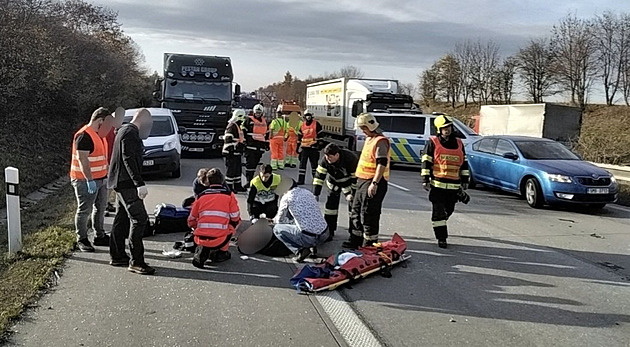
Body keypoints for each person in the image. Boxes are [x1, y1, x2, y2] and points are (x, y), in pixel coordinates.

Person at [107, 108, 155, 275]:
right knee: (139, 219)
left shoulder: (123, 130)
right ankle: (136, 262)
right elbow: (128, 158)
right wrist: (138, 183)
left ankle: (117, 255)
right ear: (144, 122)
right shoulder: (130, 133)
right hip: (127, 184)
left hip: (120, 182)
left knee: (121, 219)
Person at [421, 114, 470, 248]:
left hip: (453, 186)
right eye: (444, 128)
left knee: (449, 210)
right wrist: (425, 179)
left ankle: (441, 221)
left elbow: (464, 163)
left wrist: (465, 179)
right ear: (439, 129)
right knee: (439, 212)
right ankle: (441, 238)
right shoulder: (433, 142)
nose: (447, 130)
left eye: (449, 127)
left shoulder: (459, 143)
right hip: (437, 185)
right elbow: (426, 161)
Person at [70, 107, 114, 252]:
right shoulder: (84, 136)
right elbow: (83, 161)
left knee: (100, 208)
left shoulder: (99, 135)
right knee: (84, 210)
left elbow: (102, 158)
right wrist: (89, 180)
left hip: (101, 179)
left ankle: (99, 235)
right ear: (100, 121)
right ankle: (81, 239)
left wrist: (106, 175)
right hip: (85, 180)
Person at [345, 113, 390, 249]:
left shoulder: (380, 141)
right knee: (356, 211)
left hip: (373, 182)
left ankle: (369, 244)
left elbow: (381, 163)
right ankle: (356, 240)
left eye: (364, 128)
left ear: (370, 126)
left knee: (369, 214)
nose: (363, 131)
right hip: (362, 181)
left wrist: (374, 183)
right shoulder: (370, 139)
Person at [187, 168, 241, 268]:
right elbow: (235, 216)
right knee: (235, 223)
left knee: (203, 228)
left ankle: (202, 250)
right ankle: (222, 252)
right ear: (222, 180)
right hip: (220, 239)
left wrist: (195, 228)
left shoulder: (201, 197)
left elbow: (191, 219)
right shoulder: (229, 196)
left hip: (200, 237)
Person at [273, 179, 329, 262]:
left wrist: (273, 221)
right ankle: (313, 249)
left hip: (309, 237)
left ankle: (300, 251)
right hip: (325, 233)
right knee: (306, 220)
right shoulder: (307, 192)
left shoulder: (287, 198)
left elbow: (279, 220)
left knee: (277, 229)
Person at [312, 143, 358, 242]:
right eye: (326, 156)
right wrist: (316, 194)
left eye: (330, 157)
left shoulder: (350, 159)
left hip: (349, 184)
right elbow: (319, 177)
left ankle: (353, 235)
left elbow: (355, 179)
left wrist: (352, 194)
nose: (328, 159)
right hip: (333, 184)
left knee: (353, 211)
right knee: (330, 209)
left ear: (337, 155)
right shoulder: (325, 160)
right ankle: (329, 232)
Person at [242, 104, 268, 186]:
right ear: (254, 112)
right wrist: (244, 142)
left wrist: (267, 144)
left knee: (255, 164)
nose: (258, 114)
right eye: (257, 112)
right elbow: (243, 131)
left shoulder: (264, 121)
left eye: (259, 112)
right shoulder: (248, 120)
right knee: (250, 164)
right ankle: (249, 181)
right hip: (250, 146)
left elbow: (267, 134)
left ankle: (253, 180)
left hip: (259, 147)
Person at [105, 107, 125, 215]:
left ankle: (107, 204)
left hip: (111, 159)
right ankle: (104, 205)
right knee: (109, 185)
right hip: (109, 160)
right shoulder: (110, 129)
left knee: (110, 185)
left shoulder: (114, 128)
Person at [222, 109, 247, 192]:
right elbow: (228, 139)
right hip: (231, 152)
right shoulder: (232, 126)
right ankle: (228, 187)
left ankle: (237, 185)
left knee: (237, 170)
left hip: (236, 152)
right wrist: (232, 149)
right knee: (231, 171)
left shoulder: (237, 126)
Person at [297, 109, 322, 185]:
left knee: (314, 165)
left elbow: (321, 136)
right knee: (302, 165)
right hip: (304, 148)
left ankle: (316, 180)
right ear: (304, 116)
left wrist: (319, 145)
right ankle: (301, 180)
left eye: (309, 115)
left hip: (313, 148)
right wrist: (297, 147)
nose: (308, 117)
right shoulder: (302, 125)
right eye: (307, 115)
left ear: (312, 116)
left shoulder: (316, 124)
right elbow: (299, 137)